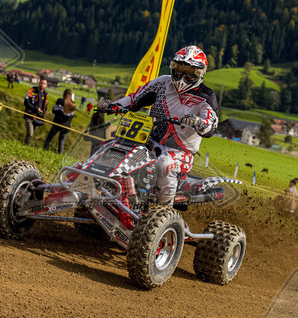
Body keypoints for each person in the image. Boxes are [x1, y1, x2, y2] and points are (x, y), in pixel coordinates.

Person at [98, 45, 218, 205]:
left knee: (164, 164)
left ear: (200, 74)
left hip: (181, 152)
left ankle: (164, 208)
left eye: (189, 73)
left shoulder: (206, 96)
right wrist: (113, 105)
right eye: (179, 70)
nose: (182, 77)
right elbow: (134, 99)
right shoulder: (162, 83)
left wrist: (198, 122)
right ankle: (100, 188)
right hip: (150, 143)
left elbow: (211, 125)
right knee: (114, 148)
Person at [44, 88, 76, 154]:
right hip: (66, 126)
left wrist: (59, 112)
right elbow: (71, 116)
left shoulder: (60, 101)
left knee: (48, 139)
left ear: (64, 94)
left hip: (57, 123)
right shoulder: (73, 104)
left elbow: (54, 110)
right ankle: (59, 155)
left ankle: (45, 151)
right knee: (61, 142)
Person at [23, 78, 49, 145]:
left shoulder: (45, 95)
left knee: (31, 135)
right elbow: (26, 102)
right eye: (41, 83)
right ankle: (26, 146)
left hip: (38, 118)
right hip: (29, 115)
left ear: (46, 85)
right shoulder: (32, 91)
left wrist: (42, 114)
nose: (42, 85)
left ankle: (25, 146)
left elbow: (45, 107)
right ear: (39, 83)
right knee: (30, 134)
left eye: (44, 84)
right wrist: (36, 109)